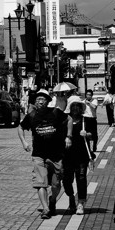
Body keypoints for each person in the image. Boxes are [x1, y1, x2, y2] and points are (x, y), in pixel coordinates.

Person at [18, 88, 67, 219]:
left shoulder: (55, 113)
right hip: (39, 154)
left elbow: (69, 119)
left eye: (43, 99)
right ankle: (45, 209)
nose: (40, 101)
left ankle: (52, 200)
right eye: (38, 99)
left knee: (56, 184)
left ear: (48, 101)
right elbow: (21, 127)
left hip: (56, 154)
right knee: (41, 183)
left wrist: (69, 137)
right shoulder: (32, 116)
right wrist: (24, 142)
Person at [63, 100, 93, 215]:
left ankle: (80, 203)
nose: (75, 110)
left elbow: (93, 135)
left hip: (82, 154)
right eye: (73, 107)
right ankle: (70, 196)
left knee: (81, 178)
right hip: (67, 155)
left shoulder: (86, 120)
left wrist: (87, 134)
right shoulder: (65, 120)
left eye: (78, 107)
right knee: (67, 179)